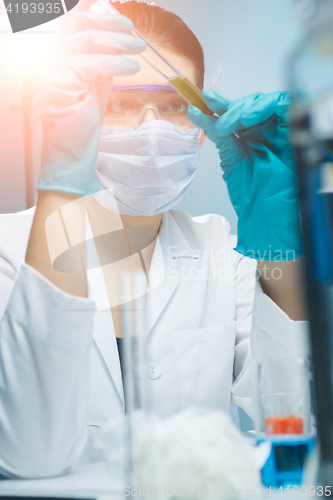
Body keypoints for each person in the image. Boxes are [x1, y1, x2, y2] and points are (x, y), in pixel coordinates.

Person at [0, 1, 309, 479]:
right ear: (79, 117)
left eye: (172, 105)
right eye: (119, 103)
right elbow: (29, 456)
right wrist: (61, 172)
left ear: (204, 128)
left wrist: (280, 242)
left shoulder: (223, 254)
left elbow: (290, 417)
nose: (151, 128)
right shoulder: (9, 249)